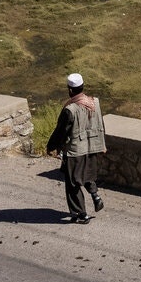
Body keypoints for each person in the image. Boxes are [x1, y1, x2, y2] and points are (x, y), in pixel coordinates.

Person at [43, 72, 105, 224]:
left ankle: (81, 214)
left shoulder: (70, 110)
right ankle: (95, 195)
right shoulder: (95, 102)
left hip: (76, 150)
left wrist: (51, 146)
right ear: (82, 87)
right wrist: (102, 144)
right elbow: (100, 124)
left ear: (70, 90)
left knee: (73, 182)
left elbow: (61, 131)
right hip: (93, 146)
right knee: (88, 174)